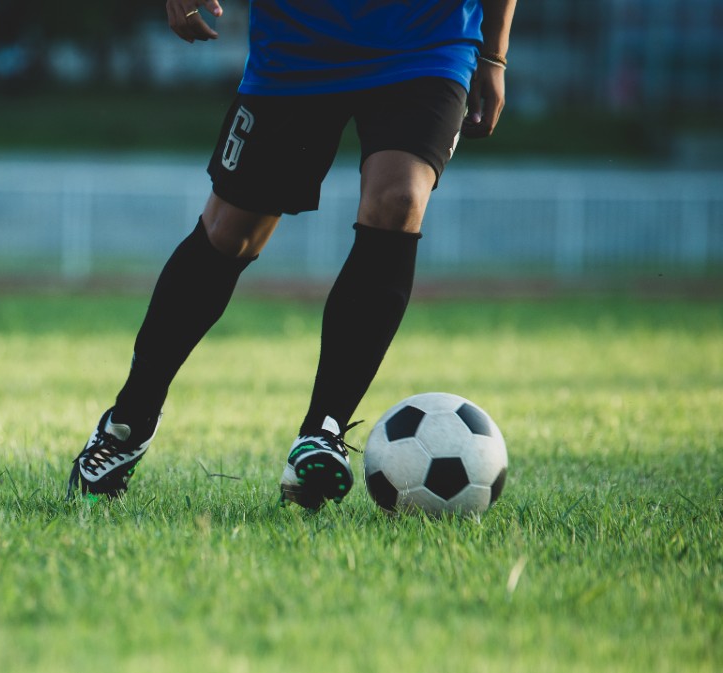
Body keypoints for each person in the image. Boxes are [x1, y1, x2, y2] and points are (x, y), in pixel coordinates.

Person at [68, 0, 516, 509]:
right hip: (301, 36)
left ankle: (321, 431)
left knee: (399, 199)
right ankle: (129, 421)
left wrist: (494, 56)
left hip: (427, 36)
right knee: (230, 230)